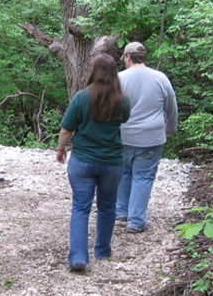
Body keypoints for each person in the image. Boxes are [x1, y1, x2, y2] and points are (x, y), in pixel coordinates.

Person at [56, 53, 131, 272]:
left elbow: (66, 129)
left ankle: (78, 257)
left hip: (83, 161)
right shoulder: (122, 100)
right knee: (107, 206)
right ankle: (102, 250)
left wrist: (61, 149)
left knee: (81, 207)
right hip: (112, 162)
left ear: (93, 71)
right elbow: (124, 119)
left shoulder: (81, 97)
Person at [115, 41, 178, 233]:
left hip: (123, 135)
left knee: (123, 173)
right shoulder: (160, 78)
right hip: (151, 137)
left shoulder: (118, 79)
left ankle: (121, 213)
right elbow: (171, 106)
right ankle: (136, 221)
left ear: (127, 57)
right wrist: (170, 128)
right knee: (143, 177)